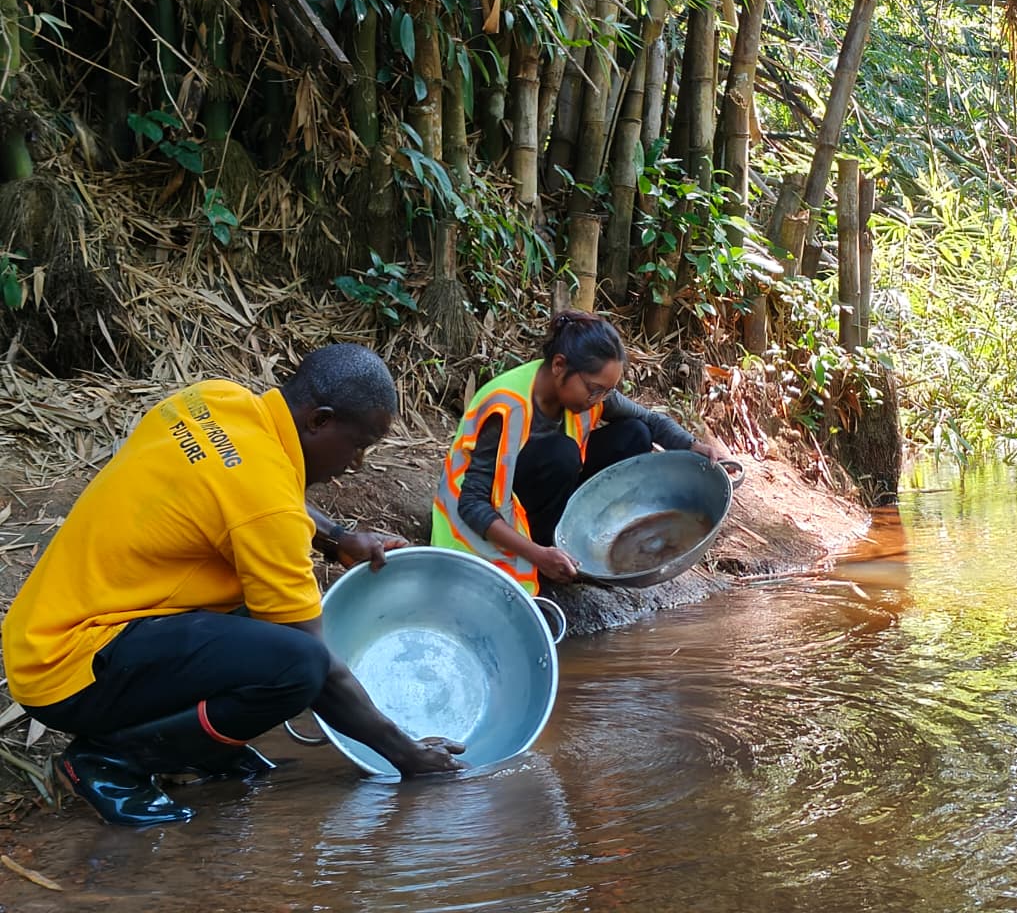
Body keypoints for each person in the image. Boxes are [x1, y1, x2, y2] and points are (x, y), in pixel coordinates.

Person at [1, 343, 466, 827]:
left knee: (260, 620)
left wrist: (337, 538)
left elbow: (248, 488)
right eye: (358, 445)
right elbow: (320, 669)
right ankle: (114, 762)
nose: (356, 465)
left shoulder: (216, 401)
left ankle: (201, 749)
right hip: (67, 669)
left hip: (46, 631)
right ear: (319, 421)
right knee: (296, 663)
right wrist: (408, 755)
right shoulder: (269, 509)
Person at [432, 311, 729, 595]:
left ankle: (576, 548)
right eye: (594, 389)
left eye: (606, 392)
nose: (599, 399)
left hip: (549, 489)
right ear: (560, 366)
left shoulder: (592, 394)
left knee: (635, 433)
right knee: (562, 452)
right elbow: (471, 505)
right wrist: (537, 554)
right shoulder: (506, 407)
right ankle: (551, 551)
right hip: (485, 522)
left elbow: (651, 421)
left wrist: (692, 445)